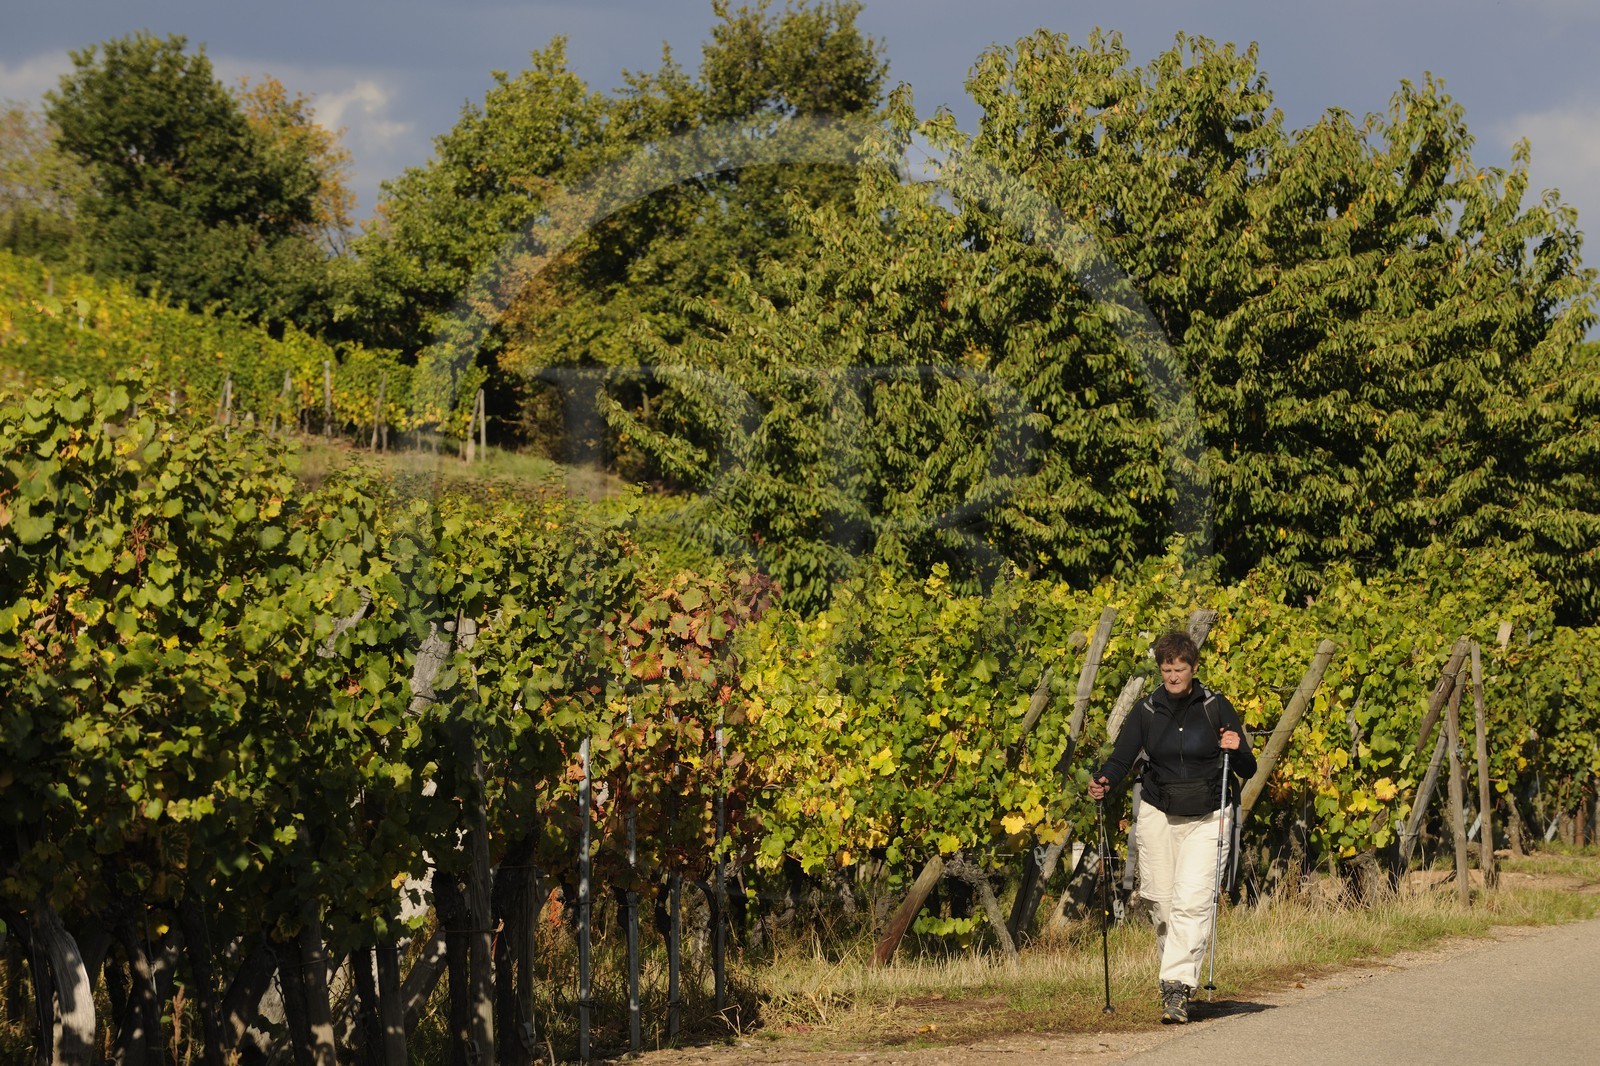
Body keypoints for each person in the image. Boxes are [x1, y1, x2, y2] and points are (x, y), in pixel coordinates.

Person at [1087, 630, 1256, 1024]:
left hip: (1209, 815)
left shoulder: (1215, 706)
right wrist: (1105, 781)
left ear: (1194, 668)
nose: (1174, 676)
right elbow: (1121, 759)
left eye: (1180, 669)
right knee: (1162, 902)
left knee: (1192, 900)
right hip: (1158, 813)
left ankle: (1177, 986)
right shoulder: (1147, 710)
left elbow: (1247, 767)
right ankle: (1173, 981)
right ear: (1160, 670)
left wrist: (1236, 747)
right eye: (1167, 669)